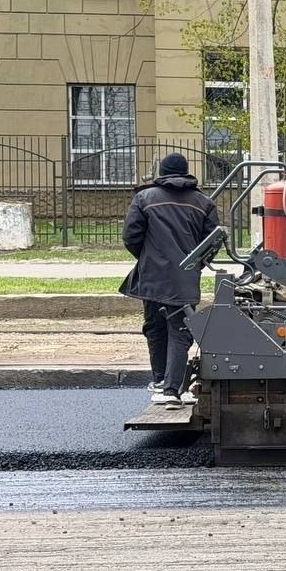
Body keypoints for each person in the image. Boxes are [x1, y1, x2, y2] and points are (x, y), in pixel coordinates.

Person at [119, 152, 220, 408]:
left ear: (162, 173)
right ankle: (173, 390)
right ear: (186, 173)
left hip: (152, 277)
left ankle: (162, 382)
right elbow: (212, 242)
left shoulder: (144, 198)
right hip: (185, 278)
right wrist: (195, 264)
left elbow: (131, 236)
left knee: (155, 328)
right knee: (180, 331)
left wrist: (147, 258)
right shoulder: (203, 203)